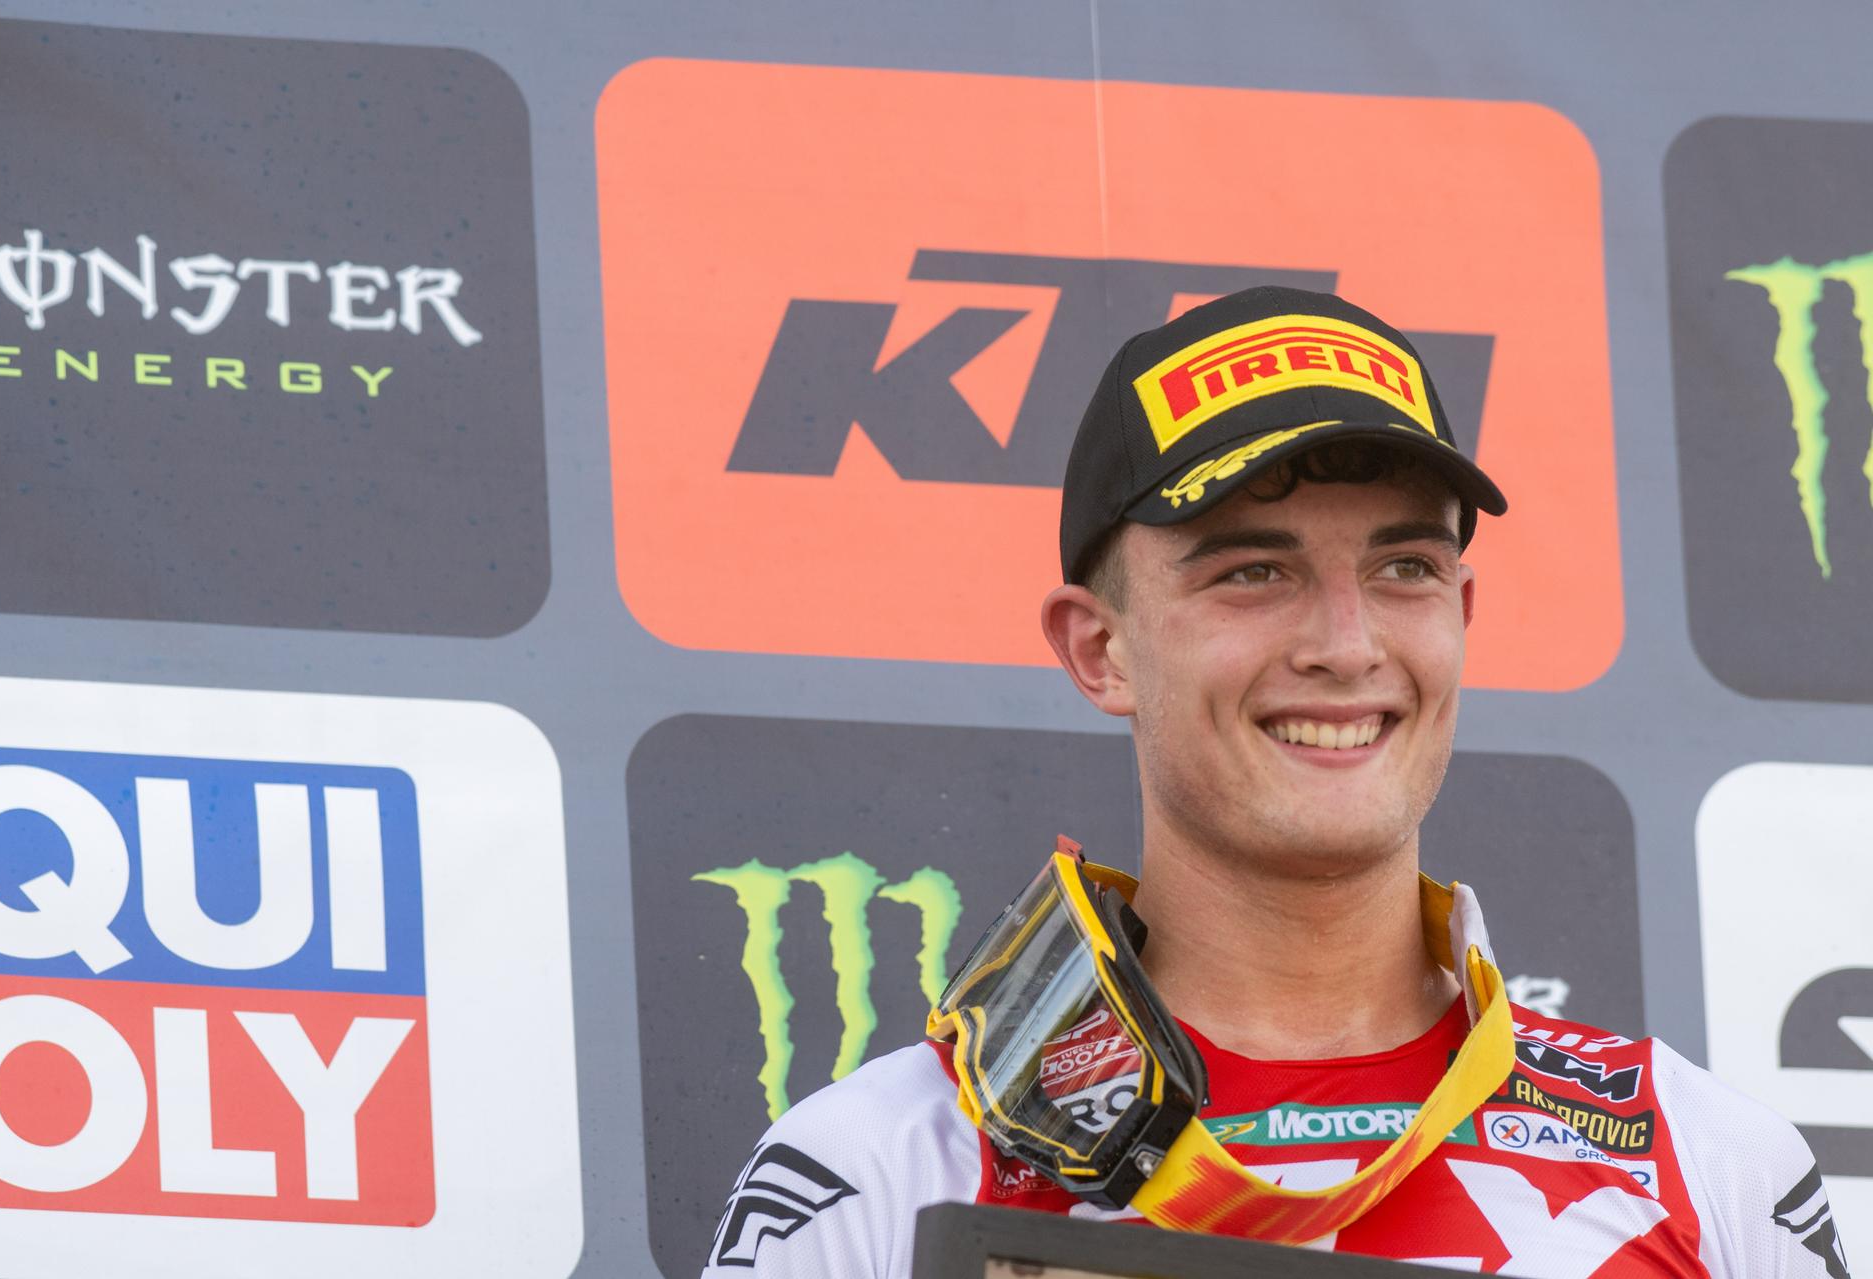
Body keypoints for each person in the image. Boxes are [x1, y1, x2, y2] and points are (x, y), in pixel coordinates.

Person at [702, 287, 1850, 1277]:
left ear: (1460, 616)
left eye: (1404, 567)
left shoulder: (1706, 1163)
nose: (1347, 645)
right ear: (1101, 650)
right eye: (1254, 571)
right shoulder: (880, 1173)